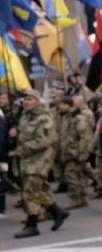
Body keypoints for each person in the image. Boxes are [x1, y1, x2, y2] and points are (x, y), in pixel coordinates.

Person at [11, 89, 70, 238]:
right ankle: (58, 212)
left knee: (29, 192)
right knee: (40, 190)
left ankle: (32, 225)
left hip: (40, 160)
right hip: (27, 160)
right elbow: (24, 135)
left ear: (37, 101)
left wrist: (24, 148)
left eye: (30, 99)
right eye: (25, 99)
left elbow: (47, 140)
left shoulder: (44, 118)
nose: (26, 102)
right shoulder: (24, 116)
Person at [58, 96, 93, 210]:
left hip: (74, 152)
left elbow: (84, 137)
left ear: (69, 105)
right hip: (68, 152)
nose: (60, 107)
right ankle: (81, 198)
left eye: (62, 104)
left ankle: (76, 199)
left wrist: (81, 153)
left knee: (71, 176)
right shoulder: (65, 118)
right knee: (78, 175)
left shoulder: (78, 118)